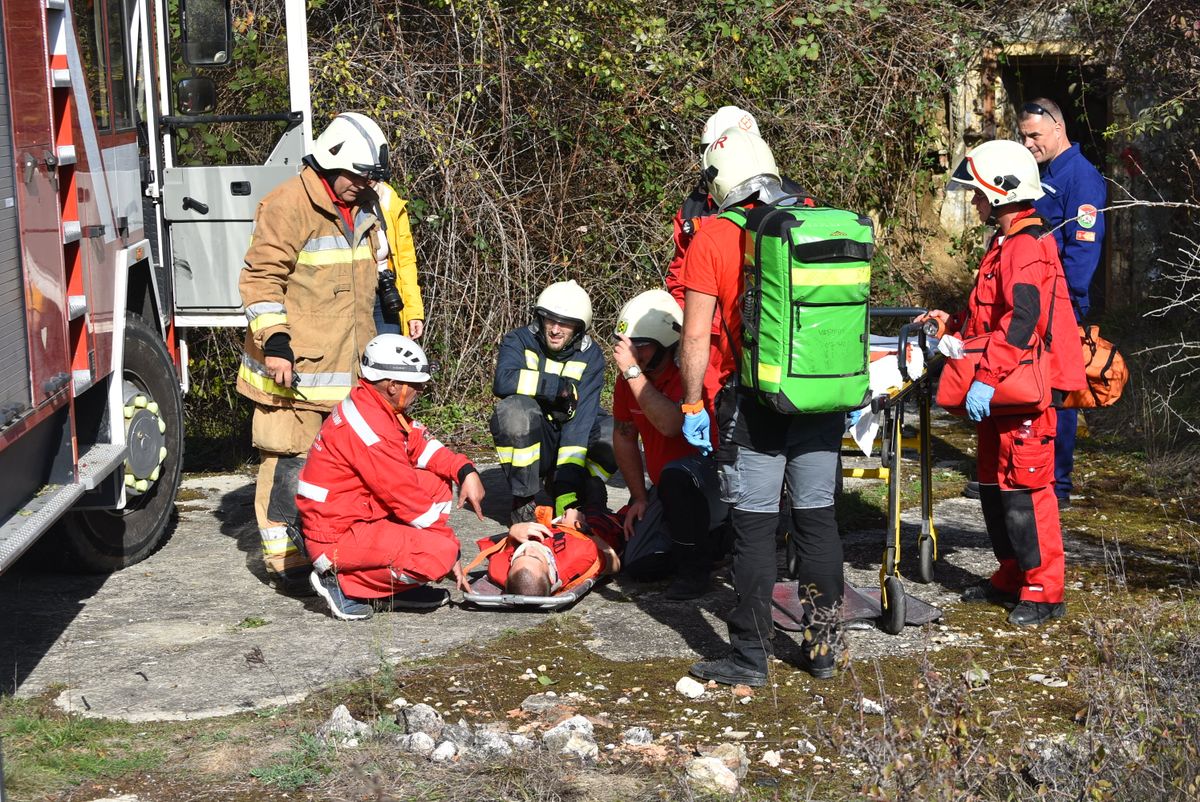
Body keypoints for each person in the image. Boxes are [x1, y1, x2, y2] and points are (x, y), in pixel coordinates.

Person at [678, 128, 845, 685]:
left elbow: (696, 337)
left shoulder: (714, 235)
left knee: (754, 529)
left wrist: (691, 402)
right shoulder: (816, 217)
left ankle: (749, 657)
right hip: (818, 398)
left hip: (751, 405)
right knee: (817, 521)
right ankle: (823, 649)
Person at [917, 139, 1085, 626]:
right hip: (1002, 391)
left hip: (1020, 391)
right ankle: (1012, 574)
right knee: (994, 485)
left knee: (1027, 490)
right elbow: (987, 315)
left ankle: (1044, 590)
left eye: (978, 193)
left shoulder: (1027, 247)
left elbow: (1022, 321)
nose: (973, 202)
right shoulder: (1005, 244)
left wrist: (986, 377)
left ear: (1000, 192)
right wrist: (950, 325)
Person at [237, 112, 391, 593]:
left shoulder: (367, 205)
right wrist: (277, 343)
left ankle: (334, 550)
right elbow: (261, 281)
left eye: (370, 177)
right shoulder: (287, 205)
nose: (364, 184)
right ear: (330, 163)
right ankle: (287, 564)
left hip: (349, 367)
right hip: (295, 370)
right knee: (289, 462)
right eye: (358, 175)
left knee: (345, 466)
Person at [296, 334, 486, 621]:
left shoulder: (377, 405)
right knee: (439, 554)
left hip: (349, 512)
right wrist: (450, 551)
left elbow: (423, 446)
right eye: (417, 385)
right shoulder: (372, 429)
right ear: (392, 384)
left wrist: (465, 470)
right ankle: (341, 583)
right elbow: (407, 499)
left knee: (437, 485)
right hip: (335, 533)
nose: (420, 391)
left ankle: (396, 576)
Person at [1018, 97, 1107, 508]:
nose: (1029, 143)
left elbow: (1083, 252)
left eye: (1034, 135)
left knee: (1060, 395)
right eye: (1023, 136)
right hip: (1036, 302)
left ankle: (1058, 485)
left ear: (1058, 128)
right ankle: (1031, 473)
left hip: (1061, 305)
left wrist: (1061, 306)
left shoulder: (1081, 178)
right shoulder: (1041, 173)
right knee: (1033, 389)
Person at [610, 289, 727, 598]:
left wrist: (633, 373)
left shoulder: (691, 372)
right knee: (640, 566)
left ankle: (696, 570)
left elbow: (672, 425)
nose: (632, 355)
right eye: (627, 347)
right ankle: (705, 543)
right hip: (669, 492)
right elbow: (624, 436)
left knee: (677, 477)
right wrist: (638, 497)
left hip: (708, 483)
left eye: (641, 346)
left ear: (666, 341)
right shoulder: (629, 380)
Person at [490, 280, 615, 526]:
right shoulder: (519, 340)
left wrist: (565, 492)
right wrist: (555, 388)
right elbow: (503, 382)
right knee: (514, 413)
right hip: (537, 437)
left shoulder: (591, 355)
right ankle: (523, 500)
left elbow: (580, 424)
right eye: (550, 320)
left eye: (566, 323)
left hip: (570, 432)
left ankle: (587, 488)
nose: (556, 329)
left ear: (580, 328)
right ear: (540, 318)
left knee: (614, 430)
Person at [478, 507, 623, 596]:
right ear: (551, 576)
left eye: (518, 556)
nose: (528, 548)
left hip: (559, 523)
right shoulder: (580, 555)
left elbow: (505, 551)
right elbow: (614, 564)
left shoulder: (498, 568)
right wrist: (581, 528)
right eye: (534, 557)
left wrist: (514, 531)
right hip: (597, 525)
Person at [372, 180, 426, 340]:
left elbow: (405, 262)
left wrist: (413, 313)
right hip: (350, 300)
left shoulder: (389, 199)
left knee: (387, 357)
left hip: (384, 294)